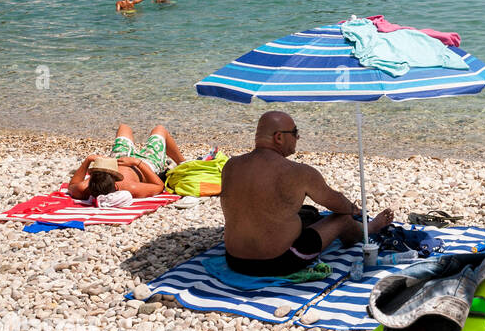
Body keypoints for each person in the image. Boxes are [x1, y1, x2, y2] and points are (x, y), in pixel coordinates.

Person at [220, 111, 393, 277]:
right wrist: (352, 208)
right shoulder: (297, 172)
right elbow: (337, 204)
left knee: (300, 212)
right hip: (277, 262)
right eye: (295, 132)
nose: (298, 137)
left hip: (235, 260)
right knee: (342, 219)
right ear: (279, 137)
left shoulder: (231, 166)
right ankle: (368, 229)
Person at [67, 123, 185, 201]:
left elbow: (71, 185)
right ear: (116, 182)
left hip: (119, 157)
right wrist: (137, 163)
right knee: (160, 129)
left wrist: (88, 160)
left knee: (124, 127)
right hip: (146, 163)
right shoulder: (130, 187)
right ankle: (183, 163)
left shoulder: (85, 188)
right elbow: (159, 186)